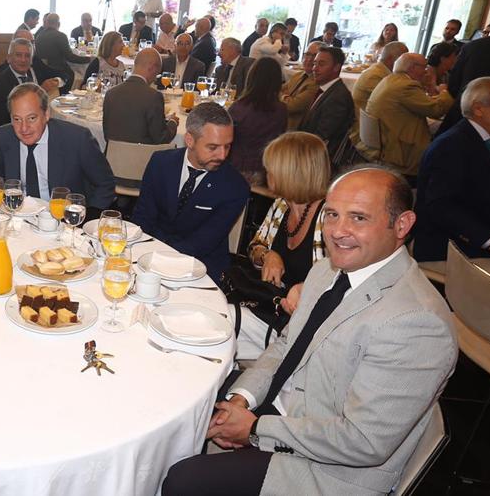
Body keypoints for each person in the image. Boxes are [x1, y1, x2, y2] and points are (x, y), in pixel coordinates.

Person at [164, 167, 456, 496]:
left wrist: (256, 428)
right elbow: (286, 346)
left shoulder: (417, 322)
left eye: (358, 218)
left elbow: (364, 441)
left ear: (401, 224)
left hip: (328, 469)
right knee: (176, 398)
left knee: (181, 481)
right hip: (285, 408)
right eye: (332, 214)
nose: (337, 231)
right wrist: (241, 399)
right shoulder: (327, 271)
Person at [232, 132, 331, 360]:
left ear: (290, 173)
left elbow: (336, 283)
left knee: (222, 321)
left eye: (271, 169)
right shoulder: (282, 205)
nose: (267, 174)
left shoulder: (329, 219)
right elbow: (255, 245)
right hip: (269, 304)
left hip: (298, 324)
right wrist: (268, 254)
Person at [132, 103, 250, 281]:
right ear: (189, 140)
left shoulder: (235, 187)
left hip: (200, 268)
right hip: (149, 255)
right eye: (213, 147)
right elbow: (143, 216)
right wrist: (149, 256)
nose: (222, 155)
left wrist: (161, 259)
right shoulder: (160, 163)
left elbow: (204, 241)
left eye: (227, 146)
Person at [413, 76, 490, 266]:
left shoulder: (475, 140)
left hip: (475, 241)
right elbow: (440, 206)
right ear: (479, 108)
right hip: (449, 249)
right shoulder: (453, 146)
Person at [0, 83, 115, 212]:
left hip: (62, 218)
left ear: (46, 114)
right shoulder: (1, 138)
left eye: (32, 118)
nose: (24, 128)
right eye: (17, 119)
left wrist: (88, 217)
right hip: (18, 217)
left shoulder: (77, 140)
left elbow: (105, 184)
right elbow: (0, 181)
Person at [365, 52, 454, 175]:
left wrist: (429, 85)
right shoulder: (406, 86)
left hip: (386, 137)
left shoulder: (391, 79)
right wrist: (445, 92)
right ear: (412, 68)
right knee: (449, 140)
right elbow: (435, 110)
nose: (426, 71)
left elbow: (423, 103)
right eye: (424, 66)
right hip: (400, 150)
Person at [227, 58, 287, 184]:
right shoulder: (281, 110)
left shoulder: (239, 108)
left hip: (237, 168)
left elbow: (227, 139)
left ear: (251, 78)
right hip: (266, 171)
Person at [0, 37, 59, 137]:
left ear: (32, 60)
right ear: (9, 58)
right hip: (9, 138)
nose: (23, 60)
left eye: (27, 56)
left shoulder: (27, 79)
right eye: (18, 55)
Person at [103, 47, 177, 145]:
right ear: (152, 68)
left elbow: (106, 134)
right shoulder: (153, 96)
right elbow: (161, 138)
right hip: (142, 158)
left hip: (113, 157)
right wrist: (173, 123)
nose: (155, 79)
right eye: (156, 73)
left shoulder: (110, 93)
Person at [296, 45, 354, 159]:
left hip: (316, 157)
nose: (314, 68)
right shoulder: (326, 89)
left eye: (321, 64)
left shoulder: (338, 98)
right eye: (315, 63)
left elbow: (322, 137)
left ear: (336, 67)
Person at [34, 12, 89, 91]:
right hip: (58, 70)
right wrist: (88, 60)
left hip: (41, 71)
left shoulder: (38, 36)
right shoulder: (61, 36)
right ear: (58, 24)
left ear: (46, 22)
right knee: (79, 76)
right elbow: (70, 57)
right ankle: (68, 95)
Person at [351, 40, 409, 115]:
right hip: (364, 122)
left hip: (373, 117)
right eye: (403, 59)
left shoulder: (381, 70)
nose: (406, 63)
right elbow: (396, 100)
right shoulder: (375, 75)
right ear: (390, 59)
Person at [282, 41, 322, 130]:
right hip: (279, 121)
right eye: (307, 54)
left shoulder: (317, 83)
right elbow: (275, 91)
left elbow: (291, 106)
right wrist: (287, 97)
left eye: (314, 56)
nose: (309, 59)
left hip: (292, 130)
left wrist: (283, 96)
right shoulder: (298, 75)